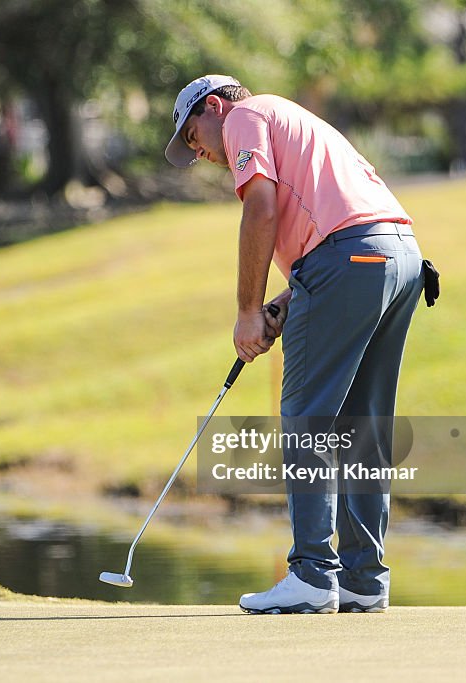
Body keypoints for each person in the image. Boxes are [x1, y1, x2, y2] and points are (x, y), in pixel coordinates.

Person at [166, 75, 424, 614]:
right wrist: (282, 304)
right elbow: (339, 231)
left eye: (194, 137)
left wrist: (245, 312)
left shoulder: (244, 119)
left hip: (351, 260)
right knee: (363, 424)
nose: (202, 154)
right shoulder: (294, 119)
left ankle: (311, 574)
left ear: (213, 108)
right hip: (399, 256)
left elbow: (260, 209)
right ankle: (363, 580)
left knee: (307, 416)